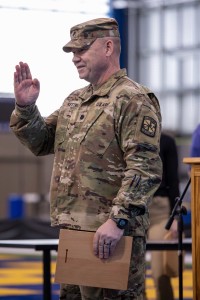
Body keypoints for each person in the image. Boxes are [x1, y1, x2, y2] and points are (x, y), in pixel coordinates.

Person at [10, 17, 162, 300]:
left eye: (81, 50)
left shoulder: (132, 99)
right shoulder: (74, 100)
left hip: (112, 235)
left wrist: (118, 221)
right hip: (74, 232)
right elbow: (41, 142)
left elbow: (145, 168)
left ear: (107, 47)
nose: (75, 58)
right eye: (72, 53)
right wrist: (26, 107)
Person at [147, 132, 180, 300]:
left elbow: (174, 180)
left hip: (159, 209)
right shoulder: (124, 137)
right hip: (130, 207)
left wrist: (175, 217)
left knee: (161, 272)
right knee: (130, 275)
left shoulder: (166, 141)